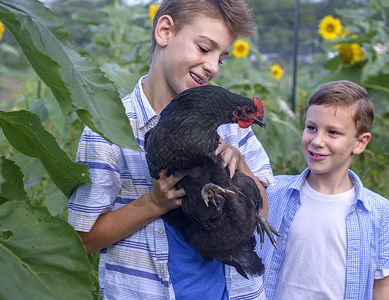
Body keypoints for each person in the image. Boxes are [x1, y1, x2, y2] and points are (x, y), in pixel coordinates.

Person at [68, 0, 275, 299]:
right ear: (164, 31)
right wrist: (154, 203)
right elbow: (84, 238)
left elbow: (263, 210)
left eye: (222, 58)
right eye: (205, 49)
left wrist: (240, 162)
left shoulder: (229, 128)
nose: (213, 67)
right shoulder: (109, 130)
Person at [258, 80, 389, 299]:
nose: (317, 141)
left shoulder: (379, 212)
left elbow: (380, 284)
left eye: (333, 132)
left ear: (360, 143)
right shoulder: (273, 193)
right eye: (311, 128)